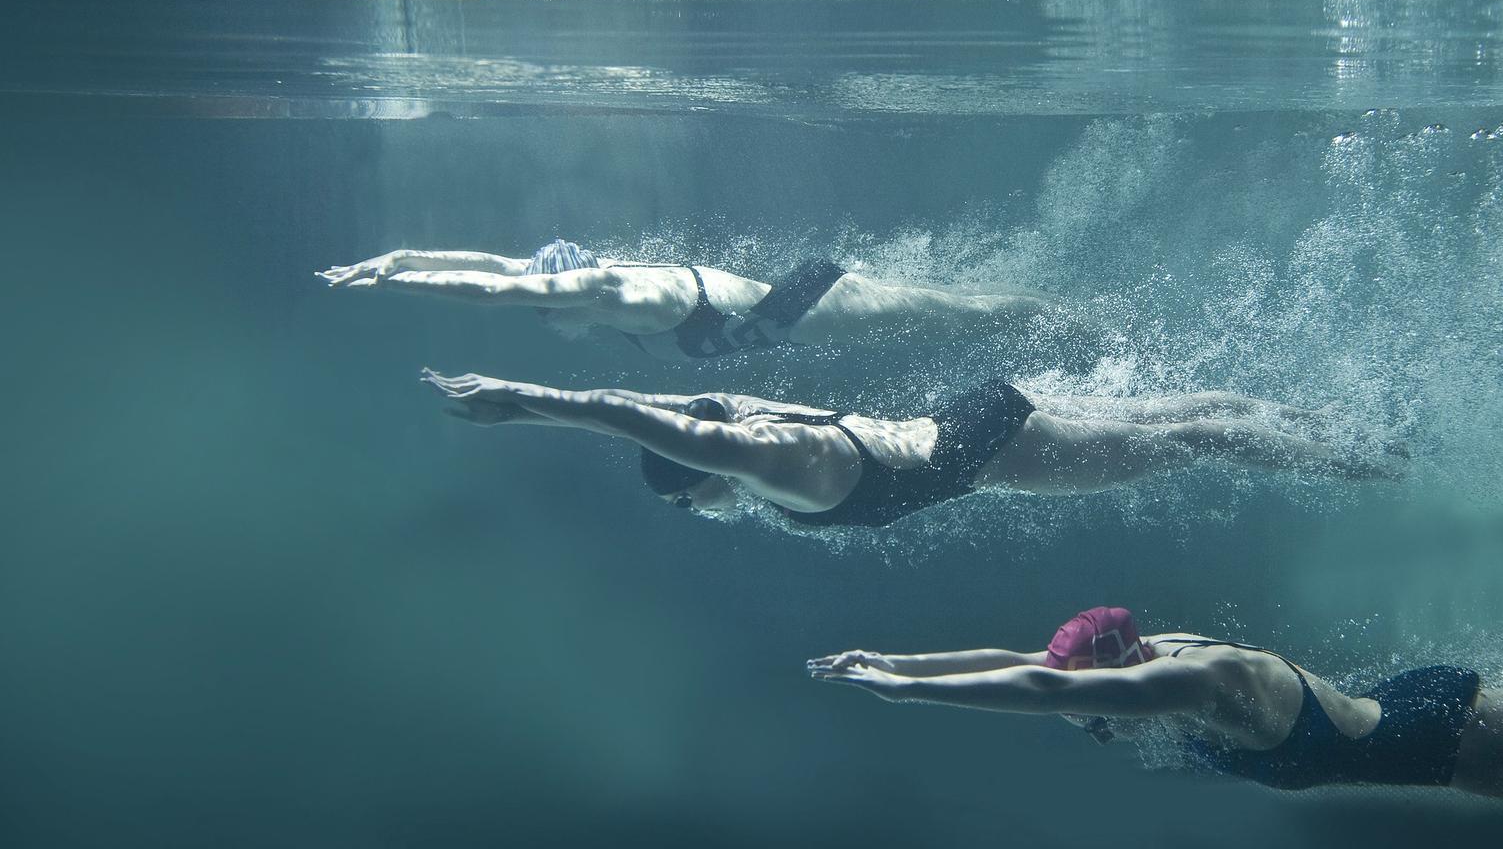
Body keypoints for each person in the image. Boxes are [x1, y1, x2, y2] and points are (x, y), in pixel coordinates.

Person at [807, 607, 1503, 795]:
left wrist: (908, 698)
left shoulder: (1193, 678)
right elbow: (1027, 660)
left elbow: (1034, 683)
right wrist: (898, 661)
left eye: (1094, 699)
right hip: (1409, 708)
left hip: (1446, 740)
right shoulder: (1156, 653)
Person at [422, 371, 1404, 528]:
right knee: (1179, 415)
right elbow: (671, 405)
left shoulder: (767, 464)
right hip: (970, 415)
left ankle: (1366, 460)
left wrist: (524, 402)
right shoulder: (760, 424)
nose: (696, 511)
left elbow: (645, 419)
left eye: (686, 497)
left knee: (1192, 440)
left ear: (704, 473)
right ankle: (1331, 420)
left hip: (987, 447)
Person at [319, 240, 1049, 360]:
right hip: (790, 318)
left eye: (544, 307)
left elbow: (494, 290)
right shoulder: (588, 284)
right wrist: (399, 256)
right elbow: (496, 265)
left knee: (951, 317)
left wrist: (395, 283)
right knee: (941, 315)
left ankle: (1051, 313)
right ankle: (1039, 308)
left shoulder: (606, 290)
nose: (543, 318)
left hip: (808, 309)